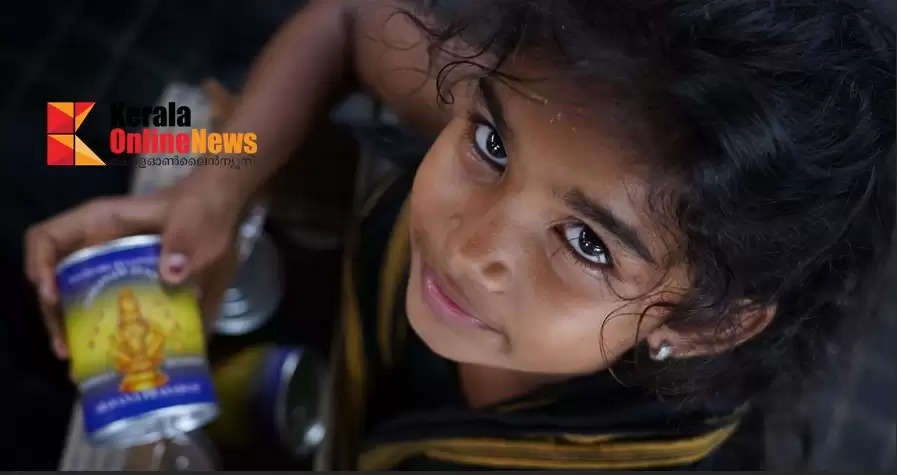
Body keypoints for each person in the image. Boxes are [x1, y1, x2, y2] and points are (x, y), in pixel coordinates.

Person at [24, 0, 895, 469]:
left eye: (588, 243)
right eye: (489, 143)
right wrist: (219, 185)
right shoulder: (561, 100)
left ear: (704, 321)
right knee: (76, 136)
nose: (467, 239)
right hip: (264, 244)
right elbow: (347, 19)